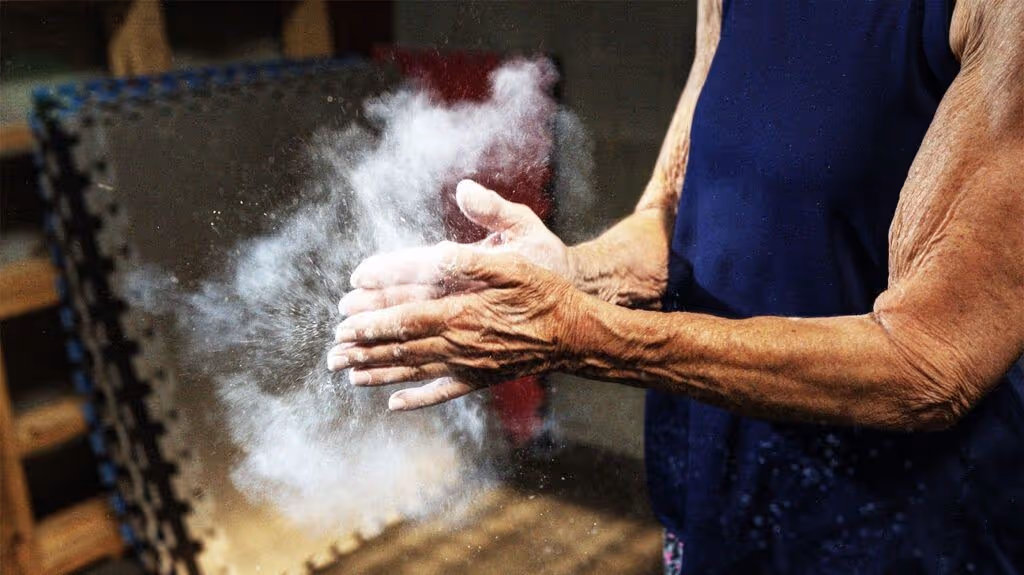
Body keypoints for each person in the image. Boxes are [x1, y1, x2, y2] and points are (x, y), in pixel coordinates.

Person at [327, 0, 1024, 572]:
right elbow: (673, 216)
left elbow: (929, 361)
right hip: (717, 508)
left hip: (900, 539)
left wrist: (573, 332)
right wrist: (568, 274)